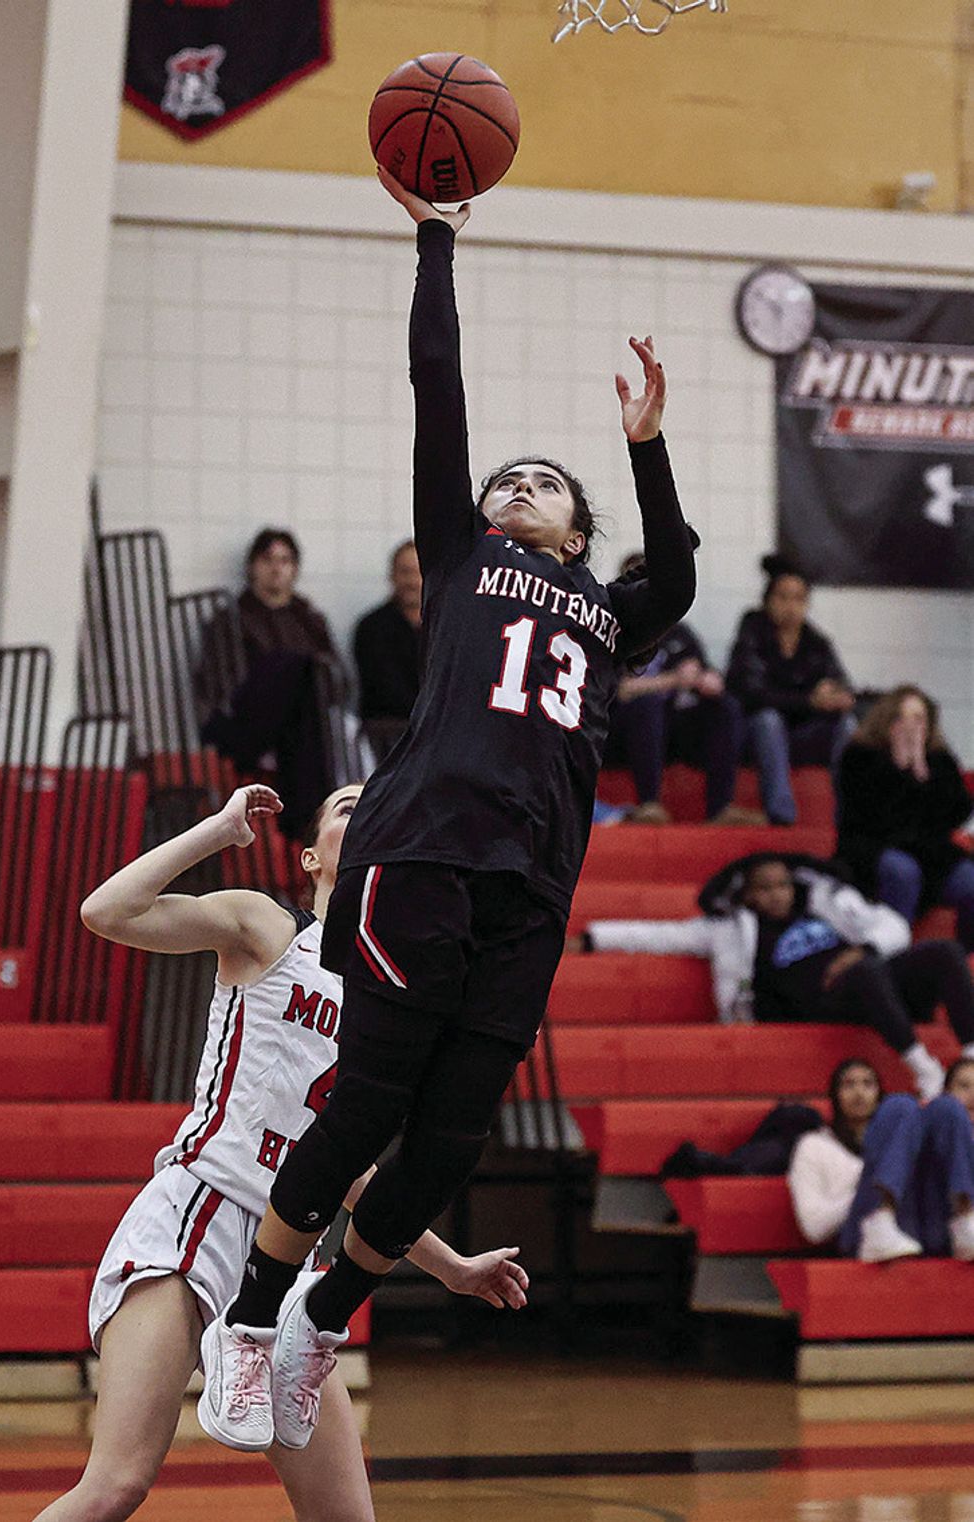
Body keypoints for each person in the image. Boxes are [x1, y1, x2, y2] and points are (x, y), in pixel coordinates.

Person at [203, 166, 696, 1453]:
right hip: (417, 852)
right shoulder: (468, 560)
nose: (517, 483)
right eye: (507, 480)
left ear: (583, 530)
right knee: (367, 1106)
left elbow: (680, 572)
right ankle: (248, 1322)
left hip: (531, 887)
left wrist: (647, 443)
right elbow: (441, 388)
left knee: (452, 1139)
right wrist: (436, 239)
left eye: (546, 480)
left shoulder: (609, 609)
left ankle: (323, 1316)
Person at [31, 781, 529, 1521]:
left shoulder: (393, 998)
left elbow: (352, 1175)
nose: (367, 816)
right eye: (347, 807)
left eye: (379, 810)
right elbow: (106, 912)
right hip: (195, 1218)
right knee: (117, 1485)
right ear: (309, 856)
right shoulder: (267, 926)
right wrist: (219, 831)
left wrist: (451, 1267)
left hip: (284, 1257)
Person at [584, 852, 974, 1099]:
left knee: (944, 951)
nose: (776, 894)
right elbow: (661, 936)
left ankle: (971, 1057)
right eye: (764, 888)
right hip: (822, 1001)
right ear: (748, 895)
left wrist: (864, 949)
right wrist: (593, 937)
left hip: (872, 980)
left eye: (783, 885)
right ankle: (927, 1072)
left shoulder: (824, 906)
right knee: (865, 974)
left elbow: (891, 926)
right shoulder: (730, 929)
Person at [200, 529, 340, 840]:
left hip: (300, 729)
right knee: (297, 668)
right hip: (245, 725)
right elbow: (219, 687)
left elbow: (337, 681)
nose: (276, 568)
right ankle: (308, 823)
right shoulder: (230, 619)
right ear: (252, 566)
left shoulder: (310, 620)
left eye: (285, 560)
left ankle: (304, 823)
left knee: (309, 680)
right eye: (267, 559)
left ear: (295, 568)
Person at [606, 551, 757, 826]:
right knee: (647, 705)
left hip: (672, 727)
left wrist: (708, 681)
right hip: (624, 729)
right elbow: (622, 690)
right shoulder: (614, 630)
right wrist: (674, 680)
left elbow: (706, 673)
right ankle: (649, 803)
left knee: (725, 706)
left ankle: (721, 807)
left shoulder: (680, 633)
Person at [788, 1058, 974, 1262]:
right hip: (863, 1231)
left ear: (878, 1092)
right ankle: (881, 1219)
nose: (859, 1093)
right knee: (901, 1104)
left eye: (868, 1084)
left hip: (929, 1230)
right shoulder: (814, 1145)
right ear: (835, 1094)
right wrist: (864, 1188)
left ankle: (966, 1219)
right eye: (848, 1084)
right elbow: (814, 1227)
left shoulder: (914, 1136)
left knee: (947, 1107)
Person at [837, 684, 974, 947]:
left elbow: (958, 812)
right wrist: (898, 769)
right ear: (887, 720)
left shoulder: (939, 760)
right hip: (873, 848)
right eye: (902, 718)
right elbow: (866, 816)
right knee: (902, 871)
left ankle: (966, 959)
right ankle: (895, 952)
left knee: (969, 879)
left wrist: (922, 772)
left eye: (919, 719)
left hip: (930, 852)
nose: (911, 726)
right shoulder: (860, 756)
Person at [726, 554, 854, 826]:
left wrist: (835, 693)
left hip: (803, 736)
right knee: (768, 720)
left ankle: (850, 815)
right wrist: (810, 701)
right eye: (783, 597)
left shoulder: (816, 641)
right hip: (759, 737)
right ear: (768, 600)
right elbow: (752, 693)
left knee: (847, 725)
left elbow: (842, 683)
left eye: (798, 598)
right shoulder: (753, 630)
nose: (790, 606)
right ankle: (781, 814)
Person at [353, 540, 423, 760]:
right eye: (405, 572)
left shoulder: (448, 626)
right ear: (392, 576)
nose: (412, 581)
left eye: (417, 572)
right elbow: (384, 690)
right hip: (384, 740)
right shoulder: (372, 627)